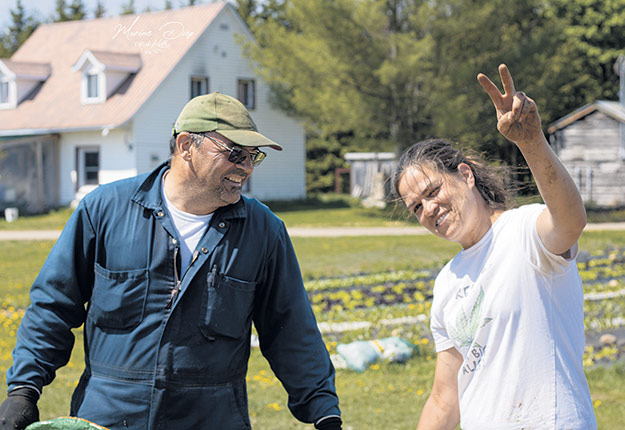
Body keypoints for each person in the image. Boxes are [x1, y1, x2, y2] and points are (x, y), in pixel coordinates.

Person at [0, 92, 342, 430]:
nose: (247, 167)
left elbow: (292, 330)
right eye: (235, 153)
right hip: (107, 417)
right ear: (185, 146)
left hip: (213, 418)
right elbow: (53, 306)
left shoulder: (264, 231)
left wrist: (324, 413)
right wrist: (24, 390)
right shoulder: (105, 210)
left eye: (254, 156)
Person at [393, 64, 597, 429]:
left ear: (466, 175)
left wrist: (531, 141)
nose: (428, 209)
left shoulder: (523, 231)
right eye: (416, 207)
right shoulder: (447, 283)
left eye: (433, 191)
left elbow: (570, 221)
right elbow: (445, 398)